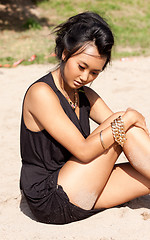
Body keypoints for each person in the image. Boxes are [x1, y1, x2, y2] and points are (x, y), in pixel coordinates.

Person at [20, 11, 150, 225]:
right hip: (52, 197)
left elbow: (130, 137)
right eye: (81, 66)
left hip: (80, 184)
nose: (85, 78)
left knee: (145, 173)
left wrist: (131, 123)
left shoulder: (85, 95)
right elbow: (83, 149)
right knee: (122, 120)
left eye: (94, 73)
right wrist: (128, 119)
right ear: (65, 54)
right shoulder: (41, 93)